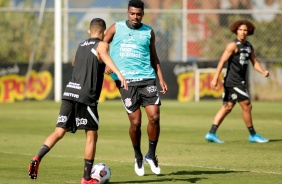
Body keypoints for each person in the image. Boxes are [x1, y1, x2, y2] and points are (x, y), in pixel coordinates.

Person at [28, 18, 128, 184]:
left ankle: (37, 157)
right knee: (91, 136)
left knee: (59, 132)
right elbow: (102, 53)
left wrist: (98, 64)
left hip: (69, 93)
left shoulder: (81, 44)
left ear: (89, 31)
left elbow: (75, 62)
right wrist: (119, 74)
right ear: (103, 33)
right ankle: (86, 178)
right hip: (85, 96)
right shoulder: (103, 44)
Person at [103, 0, 168, 176]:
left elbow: (154, 57)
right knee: (136, 122)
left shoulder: (148, 32)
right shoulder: (116, 28)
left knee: (154, 117)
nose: (135, 17)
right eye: (132, 13)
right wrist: (104, 64)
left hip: (147, 78)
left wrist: (161, 78)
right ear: (127, 12)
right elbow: (101, 46)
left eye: (138, 14)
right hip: (125, 81)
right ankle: (138, 156)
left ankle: (151, 155)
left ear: (143, 14)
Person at [205, 19, 269, 143]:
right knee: (247, 105)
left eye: (245, 30)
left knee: (227, 107)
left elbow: (254, 62)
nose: (243, 32)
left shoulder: (249, 46)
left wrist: (263, 72)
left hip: (239, 81)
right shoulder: (232, 45)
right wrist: (215, 78)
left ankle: (211, 133)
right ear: (236, 31)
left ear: (249, 31)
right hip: (233, 81)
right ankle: (253, 135)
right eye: (240, 30)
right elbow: (222, 62)